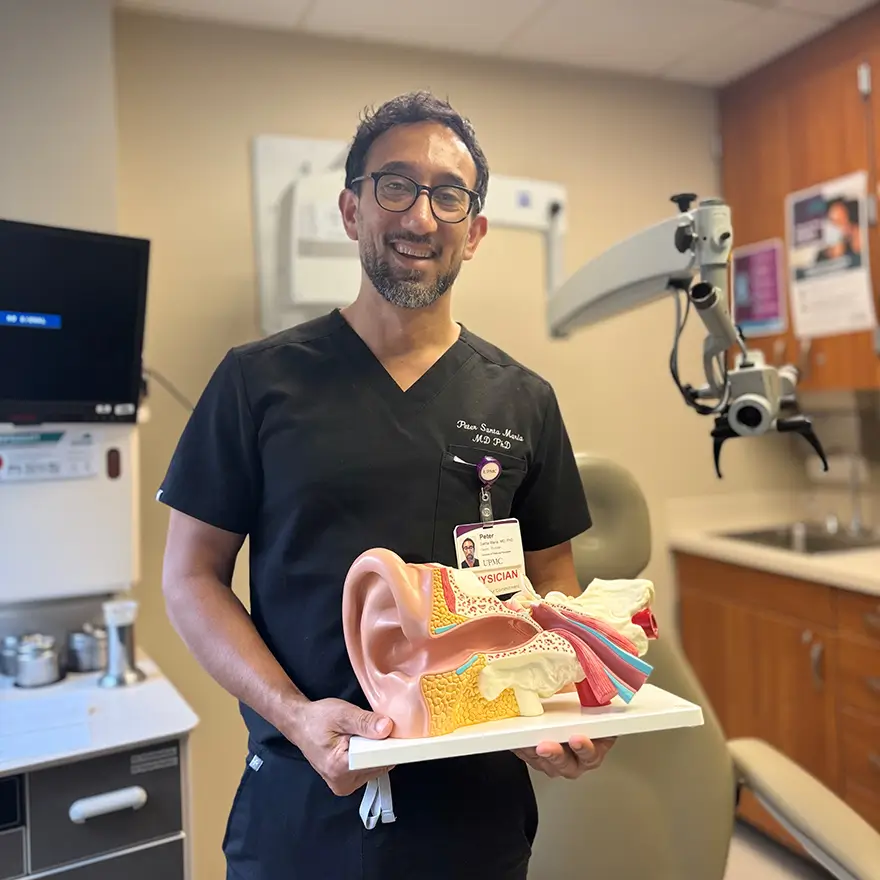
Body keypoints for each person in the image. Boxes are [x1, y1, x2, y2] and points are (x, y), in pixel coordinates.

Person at [158, 89, 616, 880]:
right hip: (302, 802)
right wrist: (295, 717)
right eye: (395, 186)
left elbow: (551, 580)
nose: (421, 216)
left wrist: (568, 707)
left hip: (474, 804)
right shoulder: (258, 383)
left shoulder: (523, 401)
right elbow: (190, 575)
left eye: (449, 196)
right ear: (351, 209)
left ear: (474, 232)